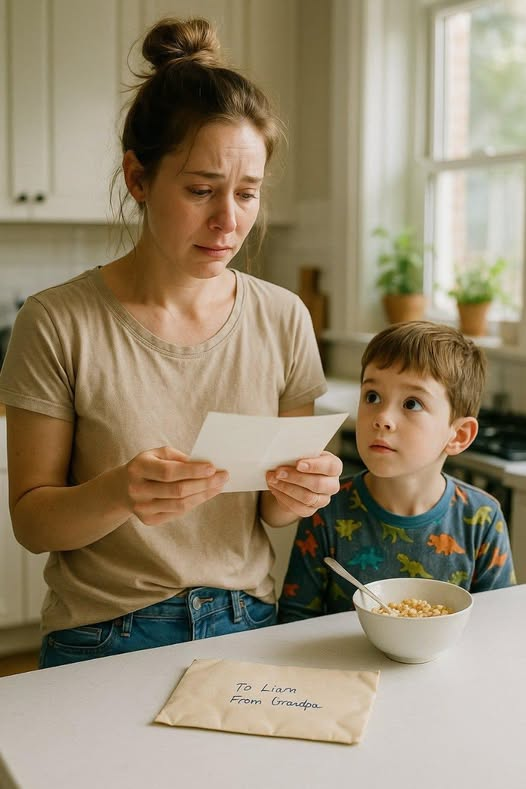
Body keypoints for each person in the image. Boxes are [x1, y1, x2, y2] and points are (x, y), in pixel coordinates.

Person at [0, 17, 342, 668]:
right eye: (200, 190)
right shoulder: (56, 323)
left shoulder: (284, 318)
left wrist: (302, 488)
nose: (229, 220)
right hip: (101, 633)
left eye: (248, 193)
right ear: (138, 178)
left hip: (247, 624)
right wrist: (118, 492)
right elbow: (33, 522)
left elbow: (271, 508)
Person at [279, 321, 516, 622]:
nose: (382, 418)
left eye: (411, 403)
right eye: (372, 396)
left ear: (458, 435)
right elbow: (293, 624)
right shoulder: (324, 507)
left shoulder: (483, 518)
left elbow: (499, 626)